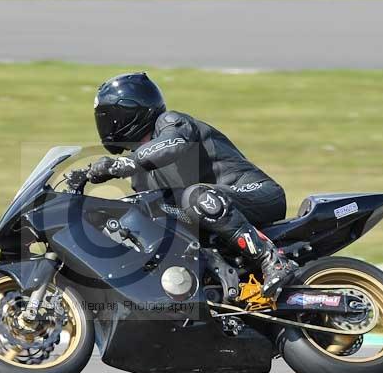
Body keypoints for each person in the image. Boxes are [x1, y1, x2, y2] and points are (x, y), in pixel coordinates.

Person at [88, 72, 296, 298]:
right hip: (213, 215)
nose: (106, 123)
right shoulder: (140, 175)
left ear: (129, 112)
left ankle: (273, 260)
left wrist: (119, 165)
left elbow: (171, 145)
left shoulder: (171, 123)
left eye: (109, 116)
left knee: (196, 196)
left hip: (258, 193)